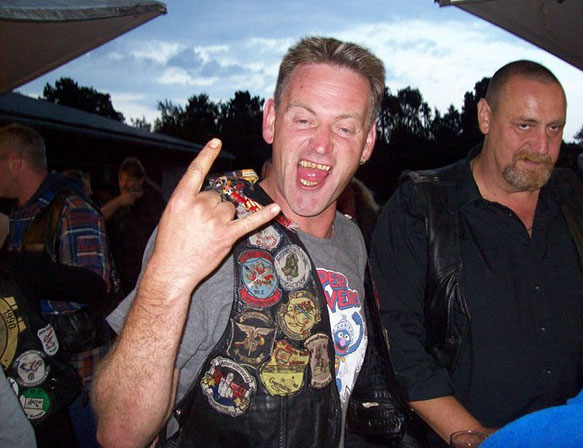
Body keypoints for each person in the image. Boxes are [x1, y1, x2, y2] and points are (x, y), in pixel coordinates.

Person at [93, 36, 414, 448]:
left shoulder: (352, 238)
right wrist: (167, 278)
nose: (321, 144)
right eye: (304, 119)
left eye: (344, 127)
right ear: (271, 120)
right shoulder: (214, 236)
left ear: (367, 143)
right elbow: (119, 433)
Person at [370, 60, 583, 447]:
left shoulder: (576, 201)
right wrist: (479, 439)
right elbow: (397, 343)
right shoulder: (421, 209)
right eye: (525, 125)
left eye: (554, 129)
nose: (541, 147)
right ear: (485, 116)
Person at [0, 123, 116, 447]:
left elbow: (96, 284)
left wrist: (29, 275)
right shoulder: (17, 217)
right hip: (32, 377)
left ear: (14, 161)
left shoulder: (71, 208)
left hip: (78, 377)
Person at [101, 157, 165, 295]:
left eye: (129, 180)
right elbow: (97, 217)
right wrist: (119, 202)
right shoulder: (115, 197)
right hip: (123, 267)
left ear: (139, 181)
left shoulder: (153, 197)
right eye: (121, 179)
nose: (123, 184)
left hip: (147, 264)